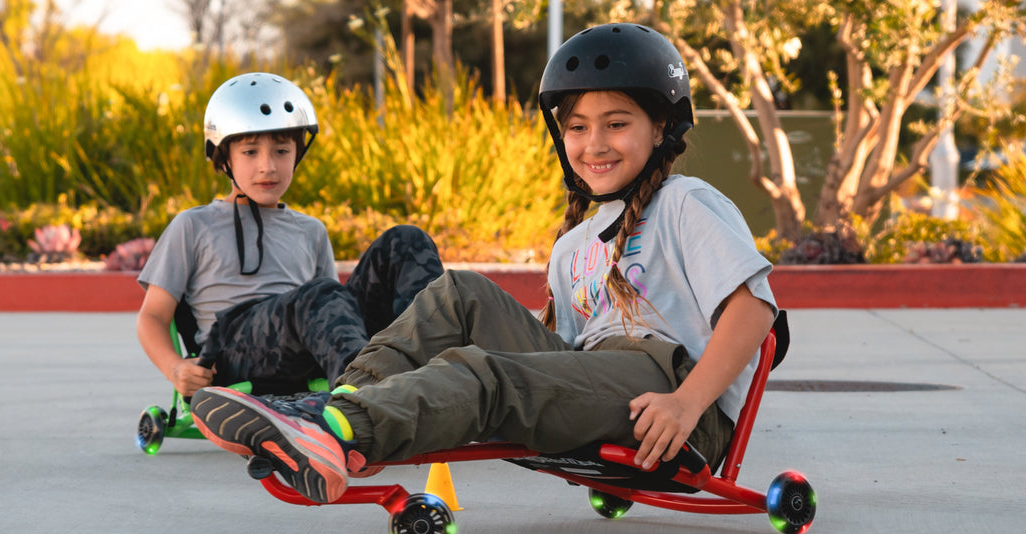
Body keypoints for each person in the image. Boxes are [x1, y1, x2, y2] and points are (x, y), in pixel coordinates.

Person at [188, 24, 778, 505]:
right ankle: (332, 412)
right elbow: (562, 361)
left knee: (482, 371)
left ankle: (348, 432)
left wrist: (688, 402)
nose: (594, 143)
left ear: (661, 126)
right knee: (461, 293)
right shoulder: (574, 245)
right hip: (597, 379)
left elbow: (754, 312)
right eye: (577, 127)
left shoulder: (685, 202)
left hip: (668, 402)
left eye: (616, 124)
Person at [136, 72, 444, 398]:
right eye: (251, 152)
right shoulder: (194, 225)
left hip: (307, 344)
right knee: (319, 295)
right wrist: (175, 368)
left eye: (281, 151)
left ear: (298, 153)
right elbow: (152, 316)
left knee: (405, 241)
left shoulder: (311, 230)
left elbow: (337, 312)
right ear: (223, 157)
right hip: (235, 351)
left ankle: (429, 373)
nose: (268, 166)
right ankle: (364, 401)